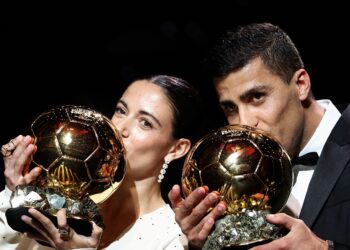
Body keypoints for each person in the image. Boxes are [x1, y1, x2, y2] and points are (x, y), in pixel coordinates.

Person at [169, 22, 350, 249]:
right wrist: (204, 244)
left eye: (256, 97)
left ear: (301, 84)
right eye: (230, 109)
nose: (245, 123)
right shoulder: (232, 183)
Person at [0, 74, 204, 249]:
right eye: (121, 111)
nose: (119, 128)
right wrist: (13, 194)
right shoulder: (61, 199)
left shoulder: (171, 238)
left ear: (176, 149)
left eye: (145, 123)